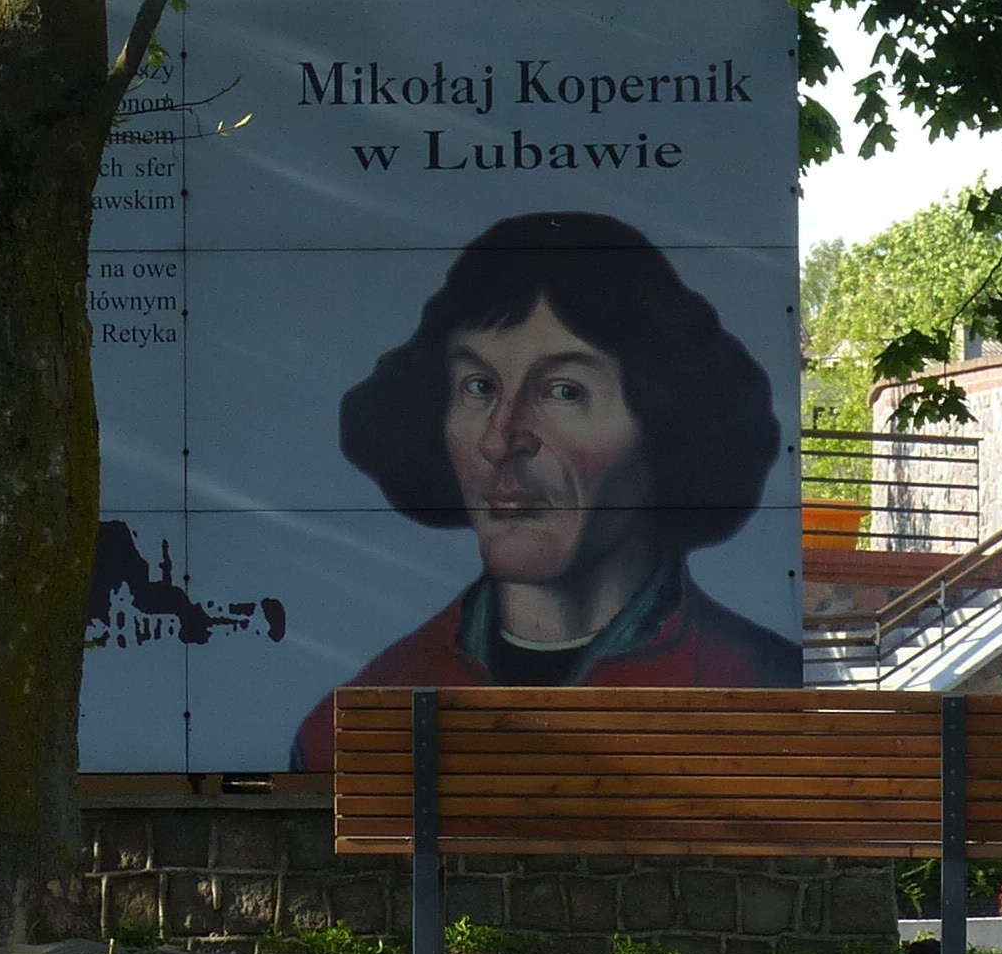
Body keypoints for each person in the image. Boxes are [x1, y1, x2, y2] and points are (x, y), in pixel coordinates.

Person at [289, 210, 797, 768]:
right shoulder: (355, 723)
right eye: (478, 386)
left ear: (667, 422)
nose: (499, 439)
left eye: (563, 391)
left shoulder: (759, 691)